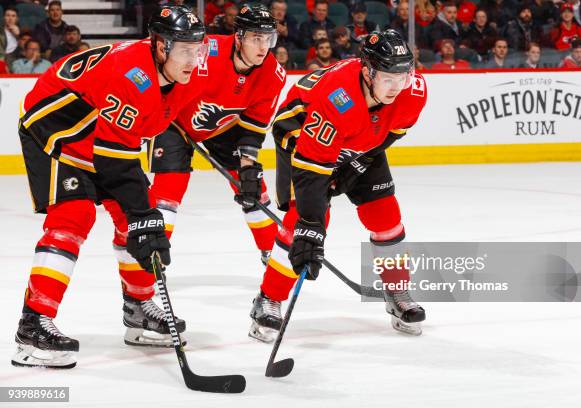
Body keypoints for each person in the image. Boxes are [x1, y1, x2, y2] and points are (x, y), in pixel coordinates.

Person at [11, 5, 206, 369]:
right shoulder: (132, 74)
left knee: (132, 217)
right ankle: (32, 325)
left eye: (197, 48)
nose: (193, 58)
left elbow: (136, 140)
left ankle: (138, 309)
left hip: (100, 135)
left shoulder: (183, 74)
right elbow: (116, 160)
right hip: (56, 130)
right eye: (184, 49)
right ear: (161, 46)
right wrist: (144, 215)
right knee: (75, 215)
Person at [249, 30, 428, 343]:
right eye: (388, 78)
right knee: (304, 224)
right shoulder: (336, 97)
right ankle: (269, 298)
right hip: (303, 136)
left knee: (385, 215)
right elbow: (310, 167)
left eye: (403, 77)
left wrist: (356, 163)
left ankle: (397, 290)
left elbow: (389, 134)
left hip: (362, 142)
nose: (397, 87)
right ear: (367, 71)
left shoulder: (413, 91)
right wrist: (311, 225)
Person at [148, 4, 286, 271]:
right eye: (256, 38)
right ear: (238, 37)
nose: (263, 46)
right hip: (173, 120)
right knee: (170, 185)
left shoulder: (273, 74)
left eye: (268, 38)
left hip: (220, 126)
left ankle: (272, 250)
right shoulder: (204, 52)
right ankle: (153, 253)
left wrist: (247, 166)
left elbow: (254, 124)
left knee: (253, 186)